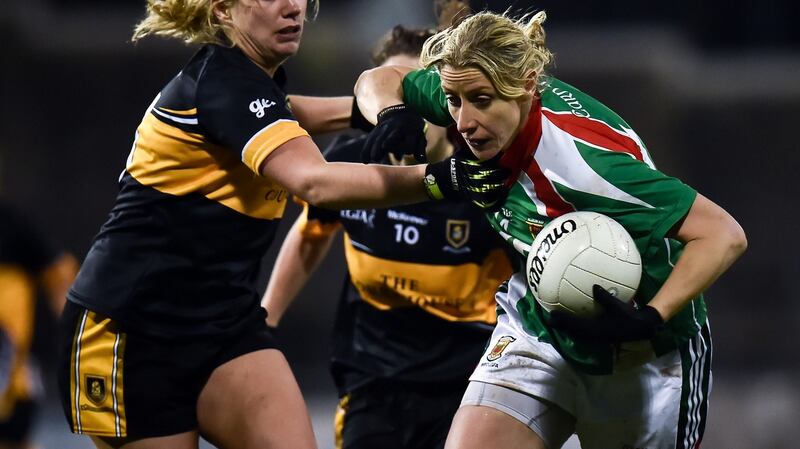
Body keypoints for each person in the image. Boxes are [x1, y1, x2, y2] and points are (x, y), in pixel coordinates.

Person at [55, 1, 508, 449]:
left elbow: (301, 110)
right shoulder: (221, 82)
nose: (292, 8)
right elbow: (315, 182)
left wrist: (395, 105)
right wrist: (445, 179)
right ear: (222, 12)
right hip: (134, 328)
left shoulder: (256, 87)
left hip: (223, 322)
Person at [354, 9, 748, 449]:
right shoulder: (471, 87)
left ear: (526, 85)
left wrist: (652, 316)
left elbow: (723, 234)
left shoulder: (589, 169)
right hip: (541, 328)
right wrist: (391, 114)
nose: (462, 122)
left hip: (647, 357)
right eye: (452, 100)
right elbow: (376, 80)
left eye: (480, 101)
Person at [262, 16, 513, 449]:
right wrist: (265, 319)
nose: (406, 105)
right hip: (372, 377)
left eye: (415, 90)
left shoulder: (487, 180)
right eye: (392, 92)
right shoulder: (347, 162)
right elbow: (311, 232)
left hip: (469, 382)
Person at [0, 200, 79, 449]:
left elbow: (61, 273)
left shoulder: (11, 224)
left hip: (16, 370)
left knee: (14, 434)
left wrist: (72, 330)